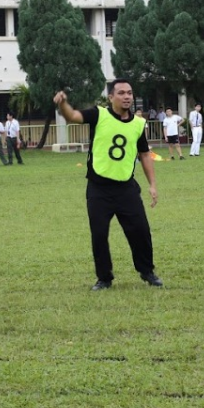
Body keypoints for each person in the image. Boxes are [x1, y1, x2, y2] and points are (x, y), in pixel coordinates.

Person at [54, 81, 163, 290]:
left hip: (126, 188)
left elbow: (144, 154)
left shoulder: (138, 124)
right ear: (111, 97)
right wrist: (63, 104)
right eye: (121, 93)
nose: (127, 97)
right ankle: (104, 278)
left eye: (130, 93)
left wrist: (152, 184)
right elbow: (72, 117)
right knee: (99, 234)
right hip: (98, 188)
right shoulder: (99, 114)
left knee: (140, 231)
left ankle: (147, 271)